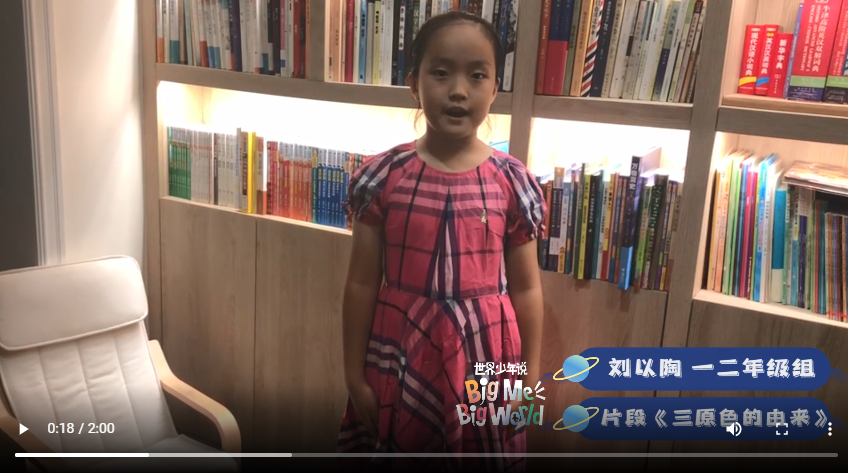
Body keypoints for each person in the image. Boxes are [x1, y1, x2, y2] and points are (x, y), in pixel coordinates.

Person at [337, 11, 546, 473]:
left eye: (477, 75)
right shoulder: (382, 177)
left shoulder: (513, 181)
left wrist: (529, 378)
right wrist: (353, 374)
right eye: (441, 72)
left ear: (495, 88)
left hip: (486, 353)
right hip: (400, 352)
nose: (458, 90)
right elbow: (361, 283)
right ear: (414, 83)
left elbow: (527, 288)